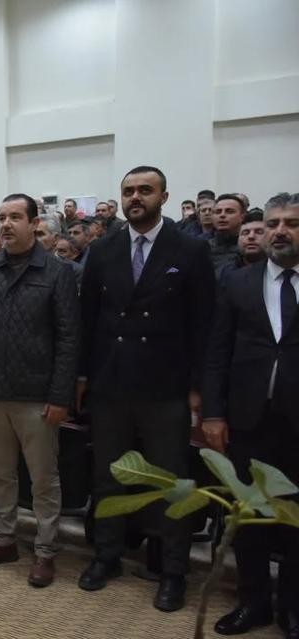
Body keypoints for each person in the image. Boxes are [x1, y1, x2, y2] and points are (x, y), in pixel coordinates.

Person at [77, 166, 215, 612]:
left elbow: (204, 325)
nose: (135, 197)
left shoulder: (190, 249)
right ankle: (107, 556)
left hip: (166, 387)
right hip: (111, 384)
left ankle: (173, 572)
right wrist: (83, 377)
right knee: (107, 477)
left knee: (171, 482)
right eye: (128, 191)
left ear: (164, 197)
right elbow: (88, 319)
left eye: (145, 190)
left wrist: (198, 388)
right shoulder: (103, 249)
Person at [0, 194, 79, 588]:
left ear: (33, 223)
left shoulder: (57, 272)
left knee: (43, 479)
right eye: (1, 217)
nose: (6, 224)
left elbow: (68, 338)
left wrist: (60, 396)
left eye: (15, 217)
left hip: (38, 397)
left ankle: (45, 551)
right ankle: (2, 541)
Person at [202, 192, 299, 638]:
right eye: (274, 222)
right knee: (250, 517)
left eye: (291, 223)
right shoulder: (238, 282)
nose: (280, 231)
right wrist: (213, 414)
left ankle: (293, 608)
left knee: (295, 520)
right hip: (247, 418)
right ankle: (253, 602)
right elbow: (217, 352)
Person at [216, 208, 267, 285]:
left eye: (259, 232)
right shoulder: (224, 273)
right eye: (245, 233)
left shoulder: (281, 269)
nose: (251, 236)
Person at [209, 193, 247, 278]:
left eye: (229, 211)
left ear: (242, 216)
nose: (222, 215)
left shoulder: (251, 247)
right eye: (218, 212)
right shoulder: (203, 248)